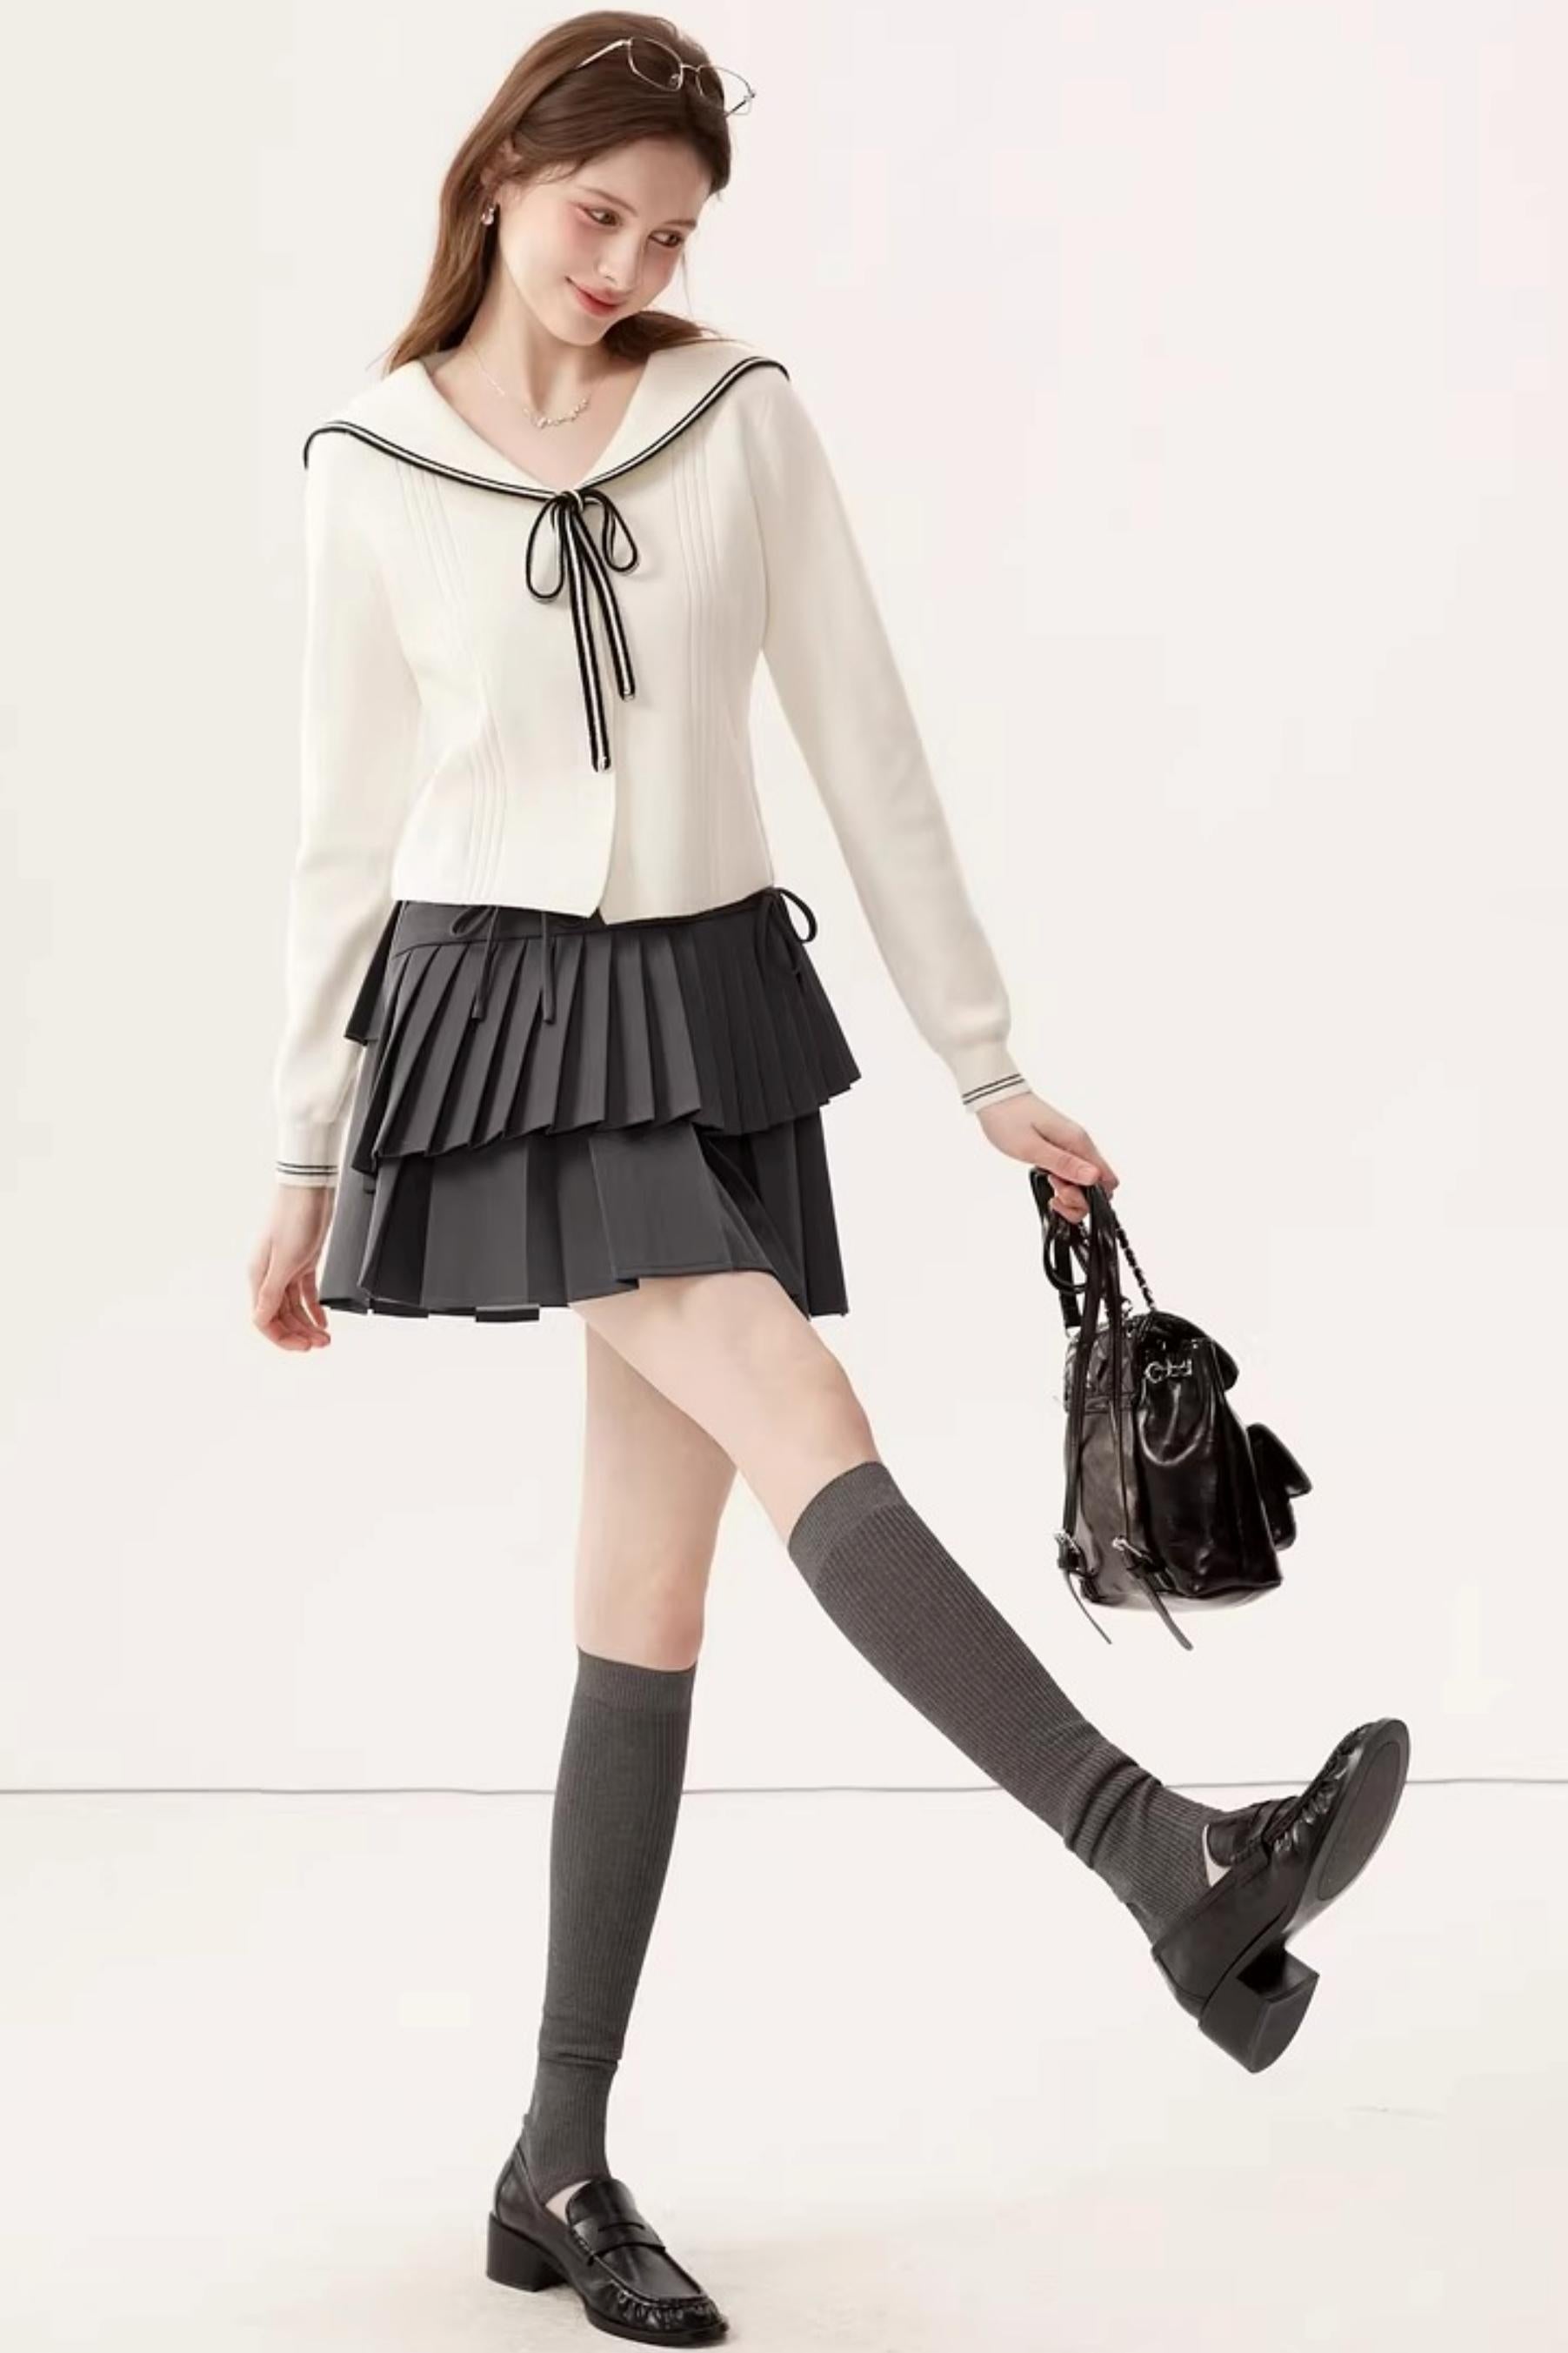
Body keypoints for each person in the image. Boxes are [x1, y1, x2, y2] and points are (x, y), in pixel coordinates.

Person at [248, 16, 1411, 2343]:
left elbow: (864, 738)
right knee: (805, 1416)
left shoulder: (735, 418)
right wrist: (299, 1143)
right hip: (498, 1023)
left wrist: (986, 1062)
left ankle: (553, 2159)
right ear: (501, 179)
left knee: (648, 1603)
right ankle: (1161, 1853)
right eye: (597, 214)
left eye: (669, 235)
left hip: (708, 1007)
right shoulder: (370, 464)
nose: (624, 265)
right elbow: (341, 833)